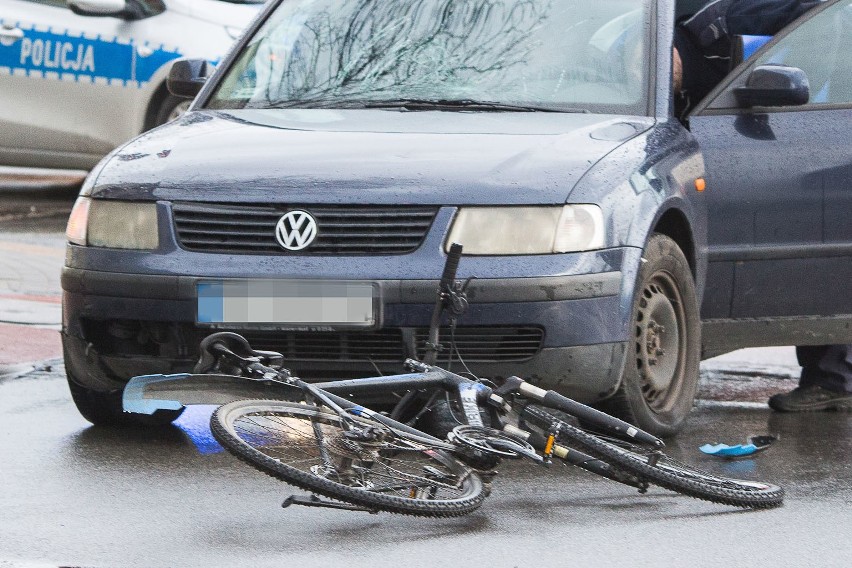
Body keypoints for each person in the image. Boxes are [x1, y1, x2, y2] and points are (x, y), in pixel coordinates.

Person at [673, 0, 852, 412]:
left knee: (814, 233)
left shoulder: (714, 20)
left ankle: (833, 376)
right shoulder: (647, 22)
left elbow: (819, 15)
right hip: (700, 136)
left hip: (794, 129)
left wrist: (810, 97)